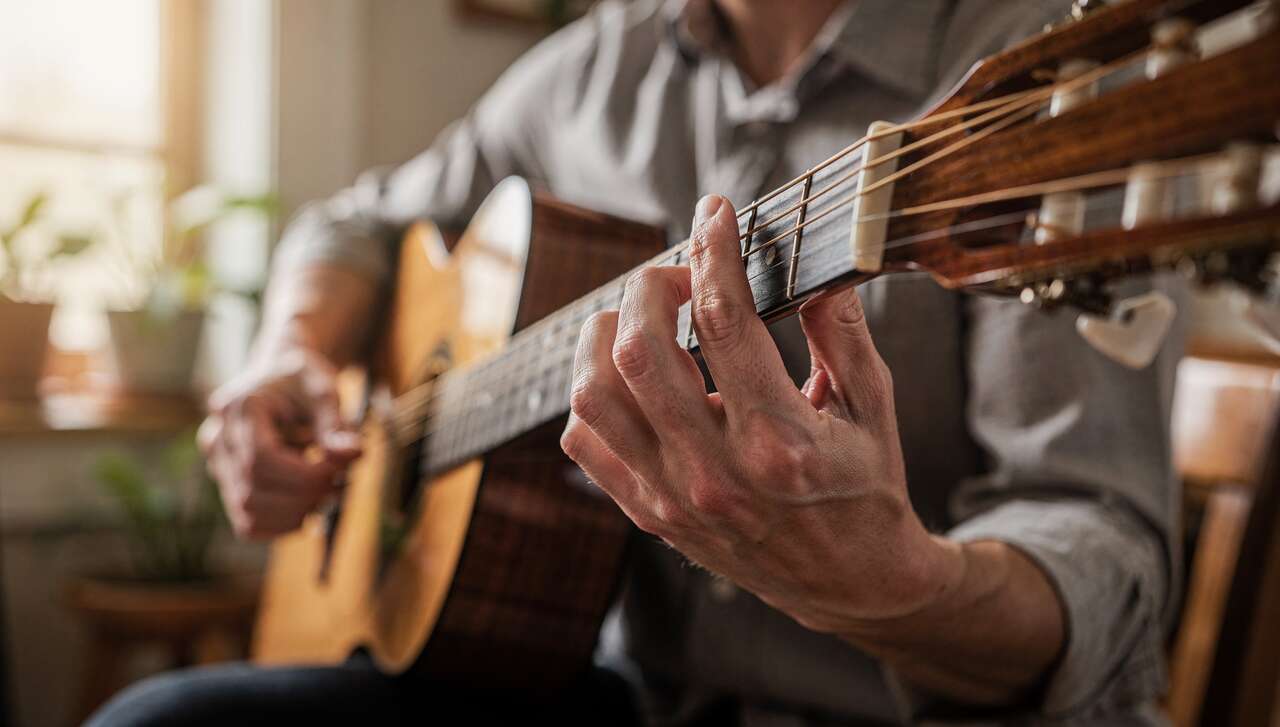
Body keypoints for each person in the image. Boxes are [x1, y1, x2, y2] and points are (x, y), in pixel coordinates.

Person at [89, 1, 1183, 725]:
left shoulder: (1031, 66)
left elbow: (1099, 562)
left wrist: (895, 589)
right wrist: (291, 350)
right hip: (604, 686)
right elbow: (358, 221)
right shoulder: (591, 67)